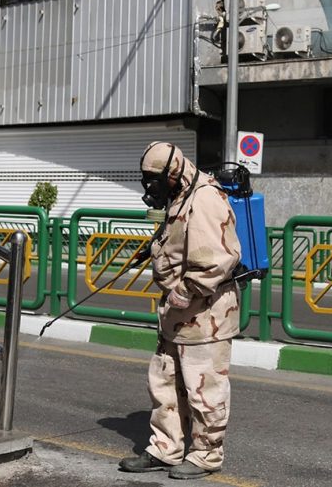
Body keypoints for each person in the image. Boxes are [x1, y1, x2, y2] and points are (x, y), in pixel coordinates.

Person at [118, 142, 241, 480]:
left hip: (205, 313)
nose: (150, 188)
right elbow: (179, 239)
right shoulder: (181, 195)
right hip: (176, 314)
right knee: (165, 383)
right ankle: (166, 448)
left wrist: (183, 293)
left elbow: (216, 259)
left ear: (173, 173)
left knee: (204, 388)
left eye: (154, 180)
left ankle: (206, 455)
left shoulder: (204, 198)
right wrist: (156, 250)